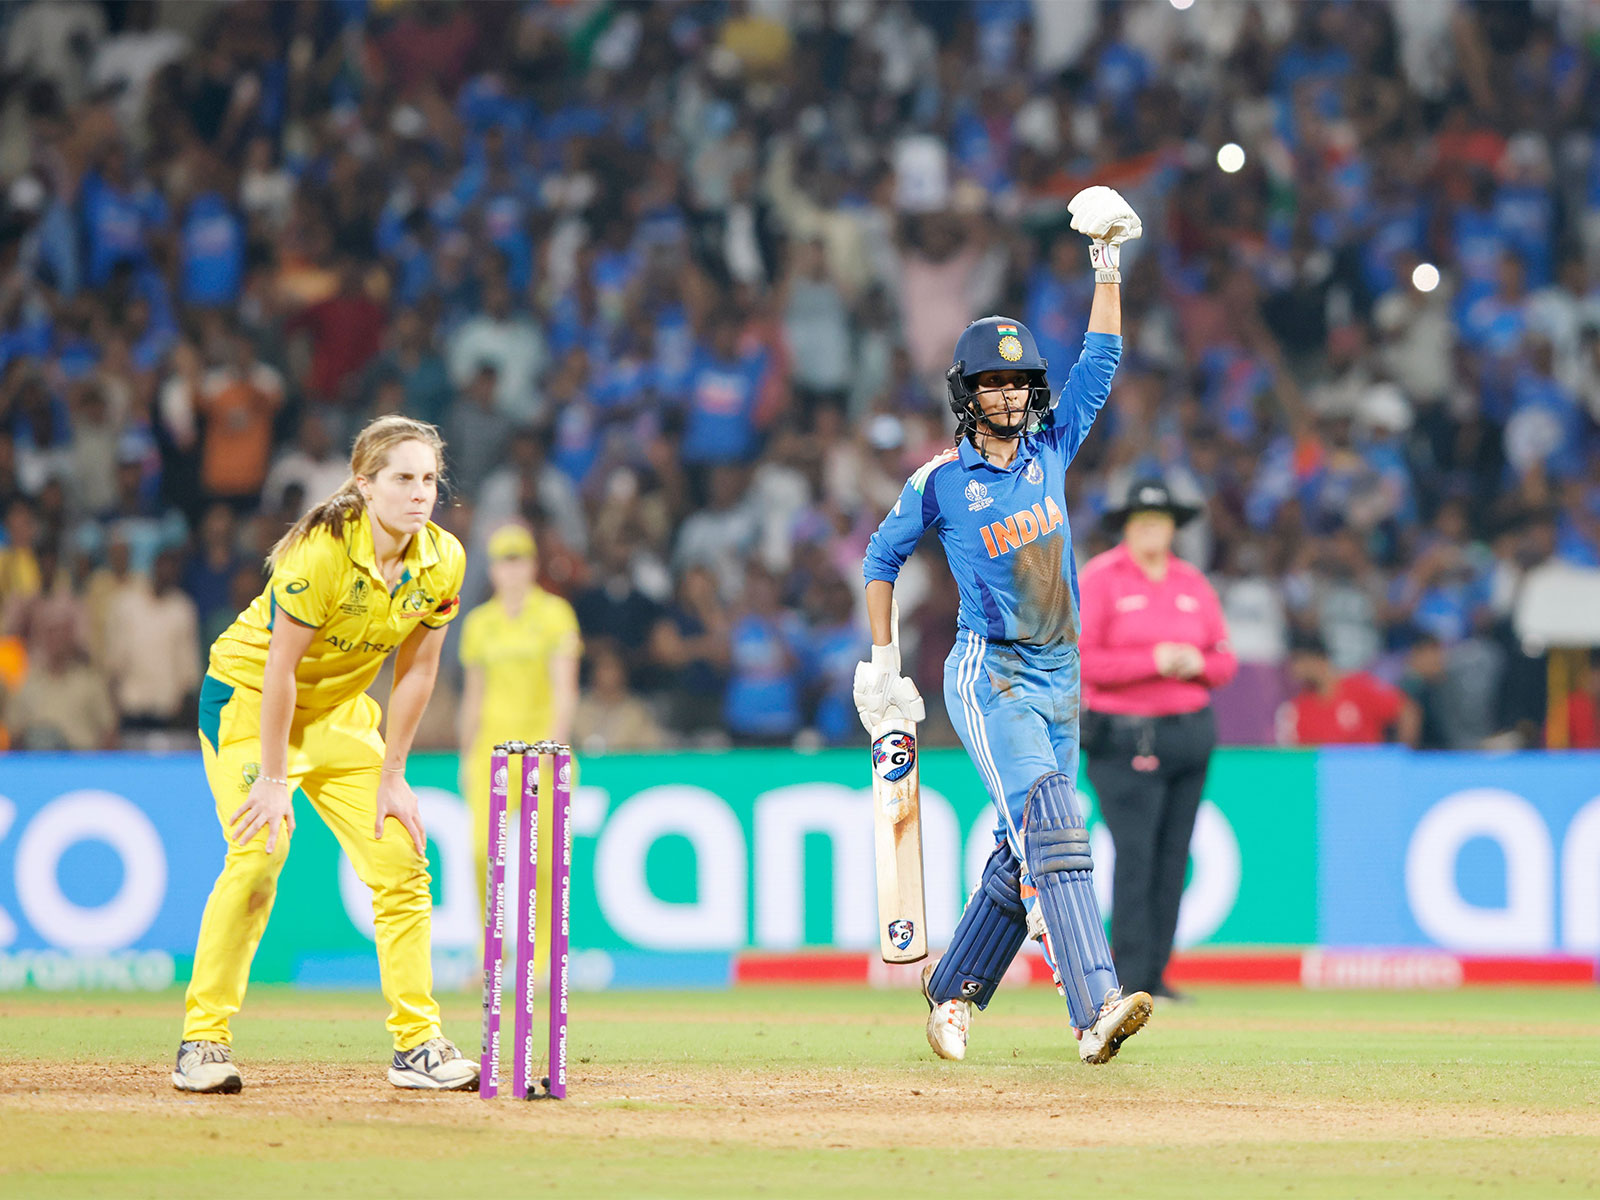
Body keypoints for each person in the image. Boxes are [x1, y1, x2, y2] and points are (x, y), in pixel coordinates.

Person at [856, 186, 1151, 1065]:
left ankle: (951, 993)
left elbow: (1102, 359)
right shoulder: (942, 482)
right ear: (967, 393)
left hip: (1062, 673)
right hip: (991, 675)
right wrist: (883, 664)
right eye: (994, 381)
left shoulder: (1052, 447)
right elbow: (880, 559)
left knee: (1024, 850)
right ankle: (1094, 1009)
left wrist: (1106, 261)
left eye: (1020, 381)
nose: (1012, 394)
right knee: (1053, 825)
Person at [175, 415, 475, 1095]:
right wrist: (273, 778)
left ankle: (418, 1045)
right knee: (260, 852)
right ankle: (202, 1041)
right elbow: (280, 668)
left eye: (429, 479)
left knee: (402, 860)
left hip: (337, 714)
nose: (420, 493)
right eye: (403, 478)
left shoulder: (444, 559)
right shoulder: (322, 552)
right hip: (250, 702)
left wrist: (394, 775)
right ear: (365, 483)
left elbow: (419, 670)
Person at [1078, 478, 1238, 1005]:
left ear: (1173, 528)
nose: (1151, 528)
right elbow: (1083, 659)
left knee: (1174, 857)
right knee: (1136, 853)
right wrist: (1153, 660)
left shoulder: (1192, 583)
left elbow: (1224, 661)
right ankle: (1129, 978)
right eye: (1142, 520)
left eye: (1160, 520)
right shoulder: (1101, 579)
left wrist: (1198, 663)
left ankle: (1157, 973)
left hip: (1188, 733)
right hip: (1124, 737)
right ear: (1126, 526)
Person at [457, 522, 580, 961]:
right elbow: (473, 695)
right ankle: (490, 948)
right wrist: (466, 753)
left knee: (545, 861)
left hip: (542, 751)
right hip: (492, 753)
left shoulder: (555, 615)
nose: (511, 570)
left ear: (532, 565)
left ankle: (543, 956)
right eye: (503, 562)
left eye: (518, 560)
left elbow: (565, 691)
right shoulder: (479, 623)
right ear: (493, 570)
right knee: (481, 853)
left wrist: (553, 748)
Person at [1278, 630, 1421, 746]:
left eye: (1298, 661)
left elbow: (1406, 711)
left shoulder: (1359, 687)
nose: (1294, 670)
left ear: (1317, 659)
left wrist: (1399, 757)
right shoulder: (1298, 708)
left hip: (1367, 768)